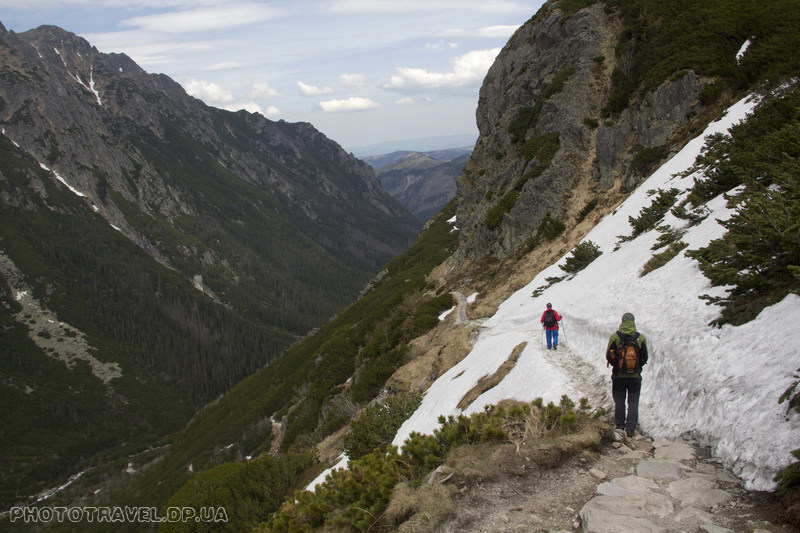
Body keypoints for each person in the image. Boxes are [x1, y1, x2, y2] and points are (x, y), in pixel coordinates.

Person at [605, 312, 649, 438]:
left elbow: (609, 355)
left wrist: (617, 365)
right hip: (635, 376)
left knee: (619, 401)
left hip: (619, 375)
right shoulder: (640, 338)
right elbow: (644, 356)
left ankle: (620, 426)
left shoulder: (615, 337)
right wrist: (637, 368)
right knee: (633, 401)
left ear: (622, 321)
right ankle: (630, 429)